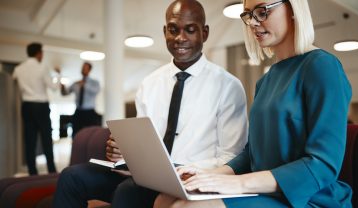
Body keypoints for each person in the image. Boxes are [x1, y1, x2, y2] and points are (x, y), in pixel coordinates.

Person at [154, 0, 353, 207]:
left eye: (262, 11)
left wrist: (239, 183)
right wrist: (207, 175)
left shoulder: (322, 66)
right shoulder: (266, 80)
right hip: (265, 192)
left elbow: (323, 165)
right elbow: (252, 155)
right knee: (164, 199)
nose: (253, 23)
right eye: (249, 15)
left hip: (310, 198)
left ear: (293, 10)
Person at [53, 0, 248, 207]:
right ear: (165, 32)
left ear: (205, 33)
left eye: (190, 30)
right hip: (144, 174)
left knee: (128, 191)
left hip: (191, 176)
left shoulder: (228, 86)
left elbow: (231, 156)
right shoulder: (149, 83)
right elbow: (143, 143)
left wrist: (178, 169)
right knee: (71, 177)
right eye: (173, 30)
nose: (180, 38)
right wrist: (124, 152)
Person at [13, 42, 59, 175]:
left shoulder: (18, 69)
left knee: (29, 141)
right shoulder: (42, 67)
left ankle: (32, 172)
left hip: (27, 106)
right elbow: (54, 88)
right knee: (46, 140)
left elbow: (13, 80)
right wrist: (58, 76)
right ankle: (51, 171)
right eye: (42, 52)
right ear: (39, 53)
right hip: (41, 106)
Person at [61, 62, 100, 137]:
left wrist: (84, 84)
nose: (83, 69)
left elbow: (96, 91)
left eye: (85, 68)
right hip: (78, 111)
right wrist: (62, 87)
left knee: (91, 134)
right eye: (82, 67)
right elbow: (65, 93)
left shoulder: (94, 82)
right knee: (75, 134)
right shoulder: (76, 83)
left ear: (89, 70)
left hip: (90, 112)